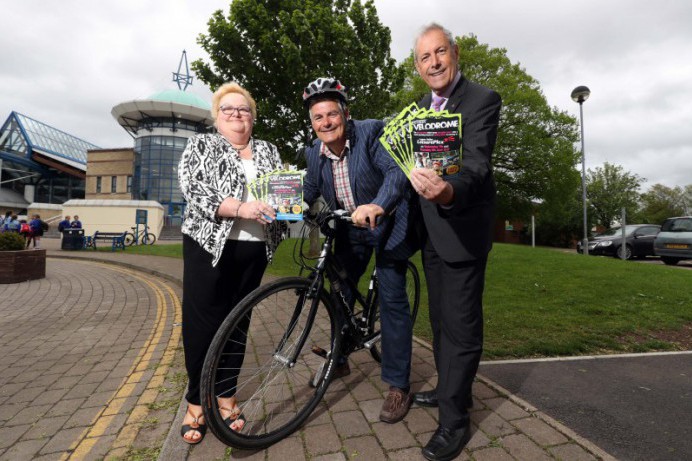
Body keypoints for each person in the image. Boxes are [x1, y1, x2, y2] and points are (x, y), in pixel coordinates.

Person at [408, 23, 502, 461]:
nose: (434, 63)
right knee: (442, 323)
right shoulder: (419, 108)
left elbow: (477, 167)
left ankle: (455, 421)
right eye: (425, 57)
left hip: (463, 231)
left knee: (462, 329)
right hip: (432, 234)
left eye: (439, 52)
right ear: (418, 66)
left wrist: (447, 192)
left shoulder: (482, 100)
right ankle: (450, 391)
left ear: (455, 53)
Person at [302, 77, 417, 424]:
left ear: (345, 114)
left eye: (332, 115)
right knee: (338, 292)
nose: (325, 123)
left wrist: (377, 205)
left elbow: (395, 175)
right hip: (350, 229)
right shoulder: (314, 153)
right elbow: (308, 190)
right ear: (312, 122)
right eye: (318, 117)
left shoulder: (371, 132)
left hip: (388, 224)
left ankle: (398, 386)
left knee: (393, 298)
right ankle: (339, 360)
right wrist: (288, 206)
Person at [177, 82, 285, 444]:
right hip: (209, 246)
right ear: (217, 116)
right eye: (229, 109)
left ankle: (225, 397)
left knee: (237, 324)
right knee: (202, 325)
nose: (237, 115)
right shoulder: (201, 145)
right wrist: (240, 208)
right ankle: (196, 401)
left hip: (254, 248)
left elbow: (281, 191)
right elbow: (193, 186)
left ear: (253, 117)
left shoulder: (268, 150)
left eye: (244, 109)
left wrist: (289, 206)